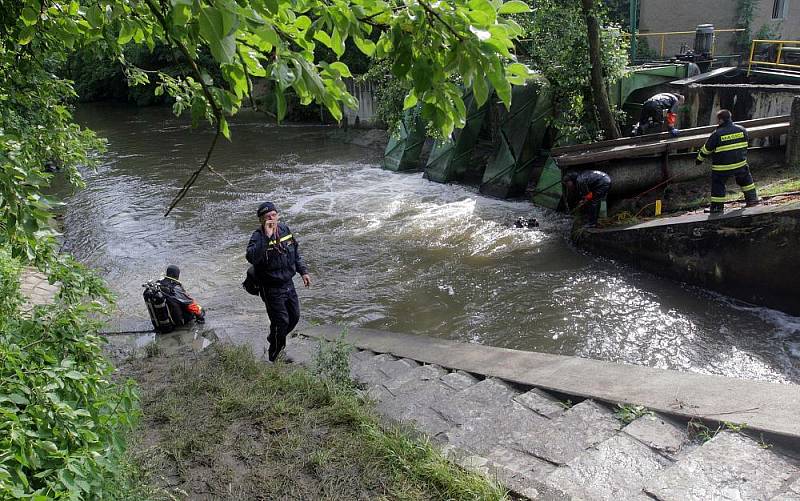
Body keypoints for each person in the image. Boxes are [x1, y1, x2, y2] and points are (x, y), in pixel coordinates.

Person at [246, 202, 311, 362]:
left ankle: (274, 337)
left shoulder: (284, 230)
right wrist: (267, 238)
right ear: (261, 220)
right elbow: (251, 257)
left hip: (288, 283)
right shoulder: (258, 236)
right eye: (267, 217)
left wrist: (303, 271)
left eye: (273, 215)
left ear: (278, 216)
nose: (271, 218)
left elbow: (295, 253)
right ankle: (275, 355)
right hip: (271, 288)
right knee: (281, 322)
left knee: (294, 317)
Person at [696, 109, 760, 214]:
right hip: (740, 164)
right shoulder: (742, 129)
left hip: (722, 167)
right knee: (746, 181)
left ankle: (717, 208)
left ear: (720, 120)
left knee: (718, 185)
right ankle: (752, 200)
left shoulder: (716, 134)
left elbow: (706, 150)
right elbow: (745, 144)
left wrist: (699, 160)